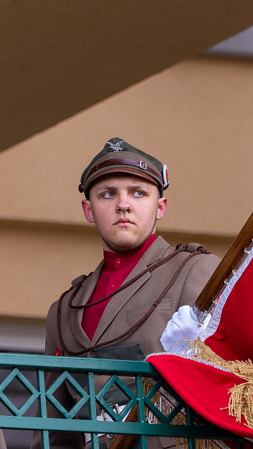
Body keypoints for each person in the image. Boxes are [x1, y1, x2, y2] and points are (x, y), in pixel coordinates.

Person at [37, 137, 220, 449]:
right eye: (108, 194)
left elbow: (231, 389)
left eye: (138, 193)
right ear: (88, 210)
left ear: (160, 207)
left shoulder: (195, 270)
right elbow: (57, 431)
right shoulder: (64, 309)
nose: (123, 204)